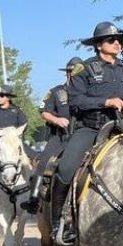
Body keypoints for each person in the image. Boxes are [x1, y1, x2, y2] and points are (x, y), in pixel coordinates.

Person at [51, 22, 123, 244]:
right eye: (112, 40)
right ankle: (61, 222)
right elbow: (75, 101)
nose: (117, 43)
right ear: (99, 44)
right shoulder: (85, 69)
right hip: (91, 128)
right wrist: (105, 101)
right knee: (65, 168)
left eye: (119, 40)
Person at [23, 57, 82, 214]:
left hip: (81, 136)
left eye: (79, 74)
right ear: (68, 74)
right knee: (43, 162)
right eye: (72, 73)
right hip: (60, 137)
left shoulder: (87, 94)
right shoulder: (56, 92)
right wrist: (56, 119)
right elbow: (43, 112)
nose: (75, 76)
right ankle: (34, 199)